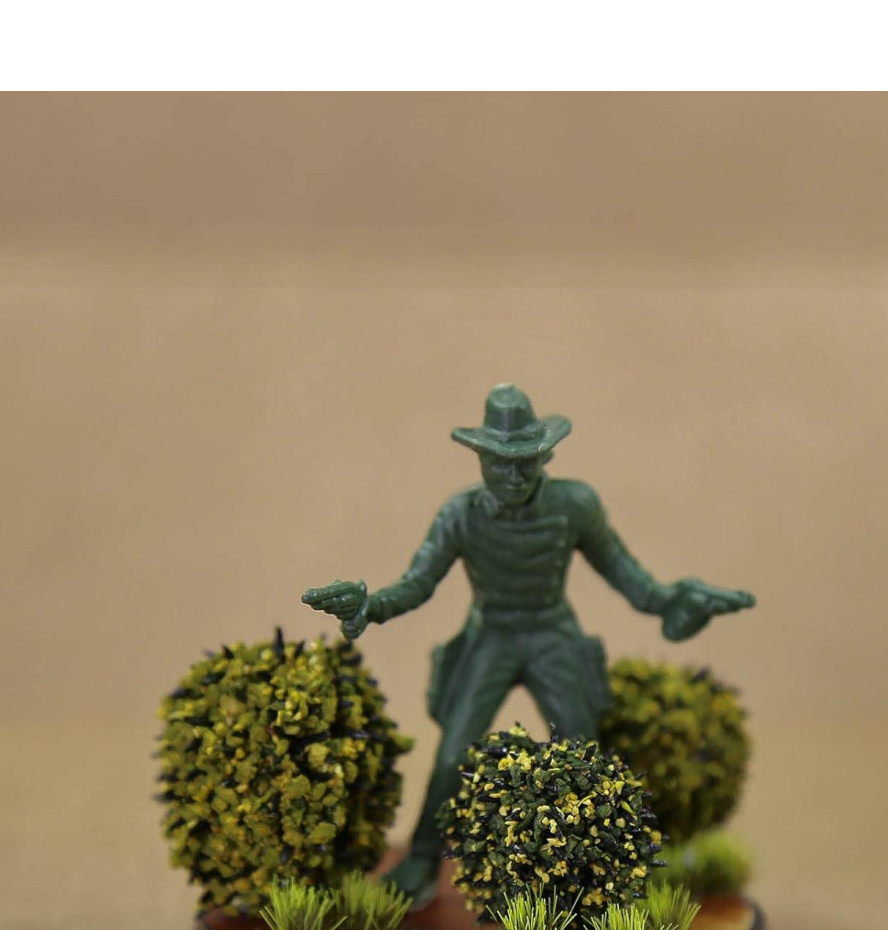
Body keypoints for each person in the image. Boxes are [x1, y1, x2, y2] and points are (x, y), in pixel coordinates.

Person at [302, 384, 755, 902]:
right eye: (500, 463)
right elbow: (417, 583)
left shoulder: (576, 505)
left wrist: (679, 601)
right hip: (490, 635)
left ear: (546, 457)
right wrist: (371, 605)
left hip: (552, 633)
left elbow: (629, 577)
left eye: (525, 462)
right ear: (480, 460)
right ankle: (424, 858)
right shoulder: (460, 515)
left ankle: (600, 871)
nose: (514, 476)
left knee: (583, 754)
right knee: (452, 756)